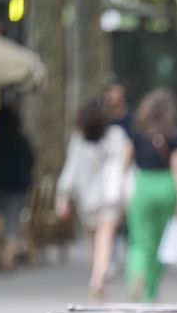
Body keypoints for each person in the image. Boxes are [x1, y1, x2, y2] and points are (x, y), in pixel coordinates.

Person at [56, 99, 131, 298]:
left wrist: (63, 196)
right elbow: (125, 165)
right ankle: (99, 276)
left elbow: (70, 169)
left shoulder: (79, 139)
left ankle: (96, 275)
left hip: (87, 199)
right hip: (109, 196)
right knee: (104, 238)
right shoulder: (116, 136)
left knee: (93, 239)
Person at [124, 88, 177, 302]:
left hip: (144, 185)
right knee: (161, 244)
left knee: (140, 242)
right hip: (166, 186)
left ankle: (137, 276)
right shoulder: (174, 136)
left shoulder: (137, 133)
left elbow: (124, 164)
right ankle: (150, 292)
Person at [0, 103, 34, 272]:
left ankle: (2, 256)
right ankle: (7, 260)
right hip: (17, 188)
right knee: (12, 222)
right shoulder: (20, 140)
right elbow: (29, 161)